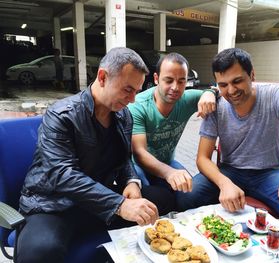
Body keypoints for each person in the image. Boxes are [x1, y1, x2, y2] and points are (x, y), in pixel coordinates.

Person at [17, 47, 176, 263]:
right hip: (53, 205)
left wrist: (131, 182)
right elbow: (62, 175)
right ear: (102, 77)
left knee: (162, 199)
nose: (132, 99)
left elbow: (123, 157)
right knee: (39, 252)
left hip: (96, 201)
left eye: (137, 91)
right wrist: (120, 205)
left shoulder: (123, 115)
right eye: (127, 90)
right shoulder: (61, 115)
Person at [178, 48, 279, 249]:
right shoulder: (215, 103)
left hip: (269, 175)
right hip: (230, 171)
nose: (231, 91)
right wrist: (225, 183)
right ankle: (200, 249)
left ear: (252, 75)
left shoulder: (273, 95)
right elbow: (202, 158)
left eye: (237, 81)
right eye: (223, 85)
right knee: (186, 195)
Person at [128, 52, 217, 197]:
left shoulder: (187, 99)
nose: (175, 87)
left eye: (181, 81)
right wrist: (169, 173)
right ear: (156, 79)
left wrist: (209, 93)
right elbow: (140, 154)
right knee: (148, 197)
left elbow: (216, 92)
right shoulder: (138, 106)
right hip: (138, 167)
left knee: (190, 194)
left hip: (167, 162)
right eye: (168, 80)